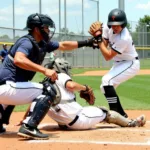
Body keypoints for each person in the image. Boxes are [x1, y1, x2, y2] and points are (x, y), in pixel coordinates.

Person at [0, 13, 96, 140]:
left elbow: (63, 45)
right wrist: (45, 70)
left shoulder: (42, 43)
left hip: (7, 89)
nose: (48, 30)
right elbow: (19, 59)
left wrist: (87, 42)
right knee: (48, 90)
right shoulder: (27, 42)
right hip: (7, 87)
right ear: (36, 29)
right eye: (45, 27)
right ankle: (29, 126)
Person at [18, 58, 146, 130]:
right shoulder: (61, 76)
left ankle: (62, 123)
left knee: (50, 102)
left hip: (63, 121)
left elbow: (33, 104)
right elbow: (71, 85)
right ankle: (131, 123)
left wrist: (24, 119)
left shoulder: (43, 84)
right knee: (104, 111)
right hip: (78, 121)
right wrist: (84, 87)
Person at [88, 8, 140, 118]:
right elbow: (104, 45)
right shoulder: (108, 28)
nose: (114, 27)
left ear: (123, 24)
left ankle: (116, 114)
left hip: (130, 63)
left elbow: (107, 56)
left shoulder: (124, 38)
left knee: (107, 80)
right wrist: (98, 40)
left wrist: (98, 39)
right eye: (112, 25)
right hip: (118, 63)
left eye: (117, 25)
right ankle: (122, 116)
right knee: (105, 87)